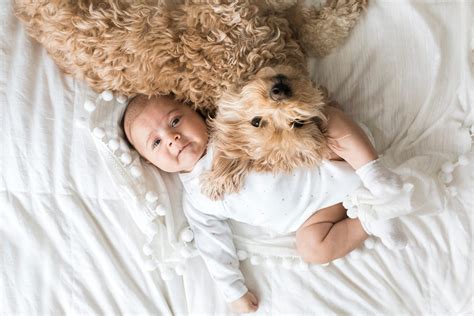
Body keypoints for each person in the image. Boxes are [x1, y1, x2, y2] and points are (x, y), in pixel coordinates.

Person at [122, 94, 406, 314]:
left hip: (330, 159)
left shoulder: (227, 126)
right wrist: (233, 291)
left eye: (175, 121)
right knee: (311, 249)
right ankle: (371, 218)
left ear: (193, 109)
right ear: (150, 162)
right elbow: (212, 245)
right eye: (156, 143)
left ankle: (373, 173)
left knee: (327, 120)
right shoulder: (197, 201)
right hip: (317, 215)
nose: (172, 138)